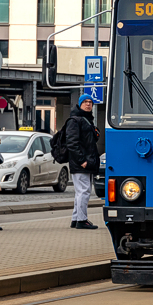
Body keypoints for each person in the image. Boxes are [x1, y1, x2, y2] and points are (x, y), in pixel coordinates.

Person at [64, 93, 101, 229]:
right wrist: (82, 161)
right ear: (80, 104)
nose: (88, 104)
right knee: (84, 192)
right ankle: (81, 220)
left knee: (80, 192)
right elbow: (72, 143)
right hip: (81, 164)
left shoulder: (86, 120)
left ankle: (76, 219)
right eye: (85, 102)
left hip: (86, 162)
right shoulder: (75, 120)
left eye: (90, 102)